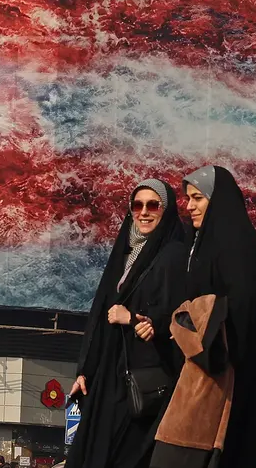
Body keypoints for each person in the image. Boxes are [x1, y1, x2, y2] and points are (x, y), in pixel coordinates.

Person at [151, 166, 256, 468]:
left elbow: (239, 308)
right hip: (204, 364)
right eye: (188, 198)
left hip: (226, 370)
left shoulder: (236, 243)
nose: (189, 206)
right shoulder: (203, 244)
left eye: (198, 198)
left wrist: (202, 338)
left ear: (216, 200)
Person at [66, 179, 187, 468]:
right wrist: (86, 371)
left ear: (166, 210)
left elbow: (176, 312)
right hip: (110, 374)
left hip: (143, 377)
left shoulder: (174, 255)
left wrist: (132, 318)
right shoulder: (124, 254)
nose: (144, 212)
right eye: (137, 205)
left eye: (153, 205)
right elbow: (100, 315)